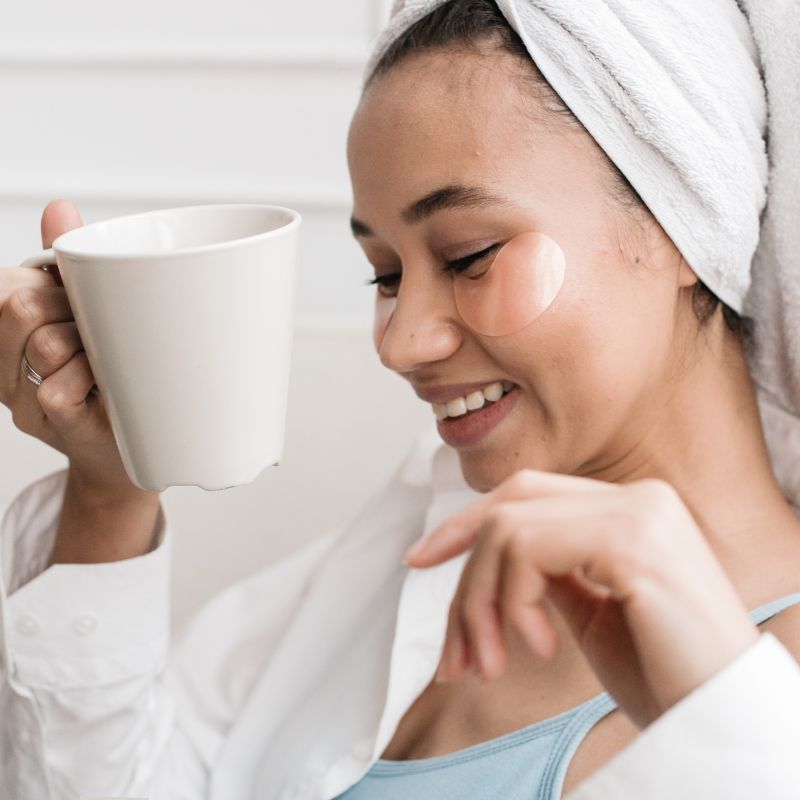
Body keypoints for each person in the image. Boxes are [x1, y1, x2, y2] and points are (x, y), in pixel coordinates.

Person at [2, 0, 800, 798]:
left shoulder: (766, 699)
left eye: (469, 255)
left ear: (676, 224)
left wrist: (721, 709)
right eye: (385, 275)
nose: (398, 342)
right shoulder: (411, 552)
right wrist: (109, 486)